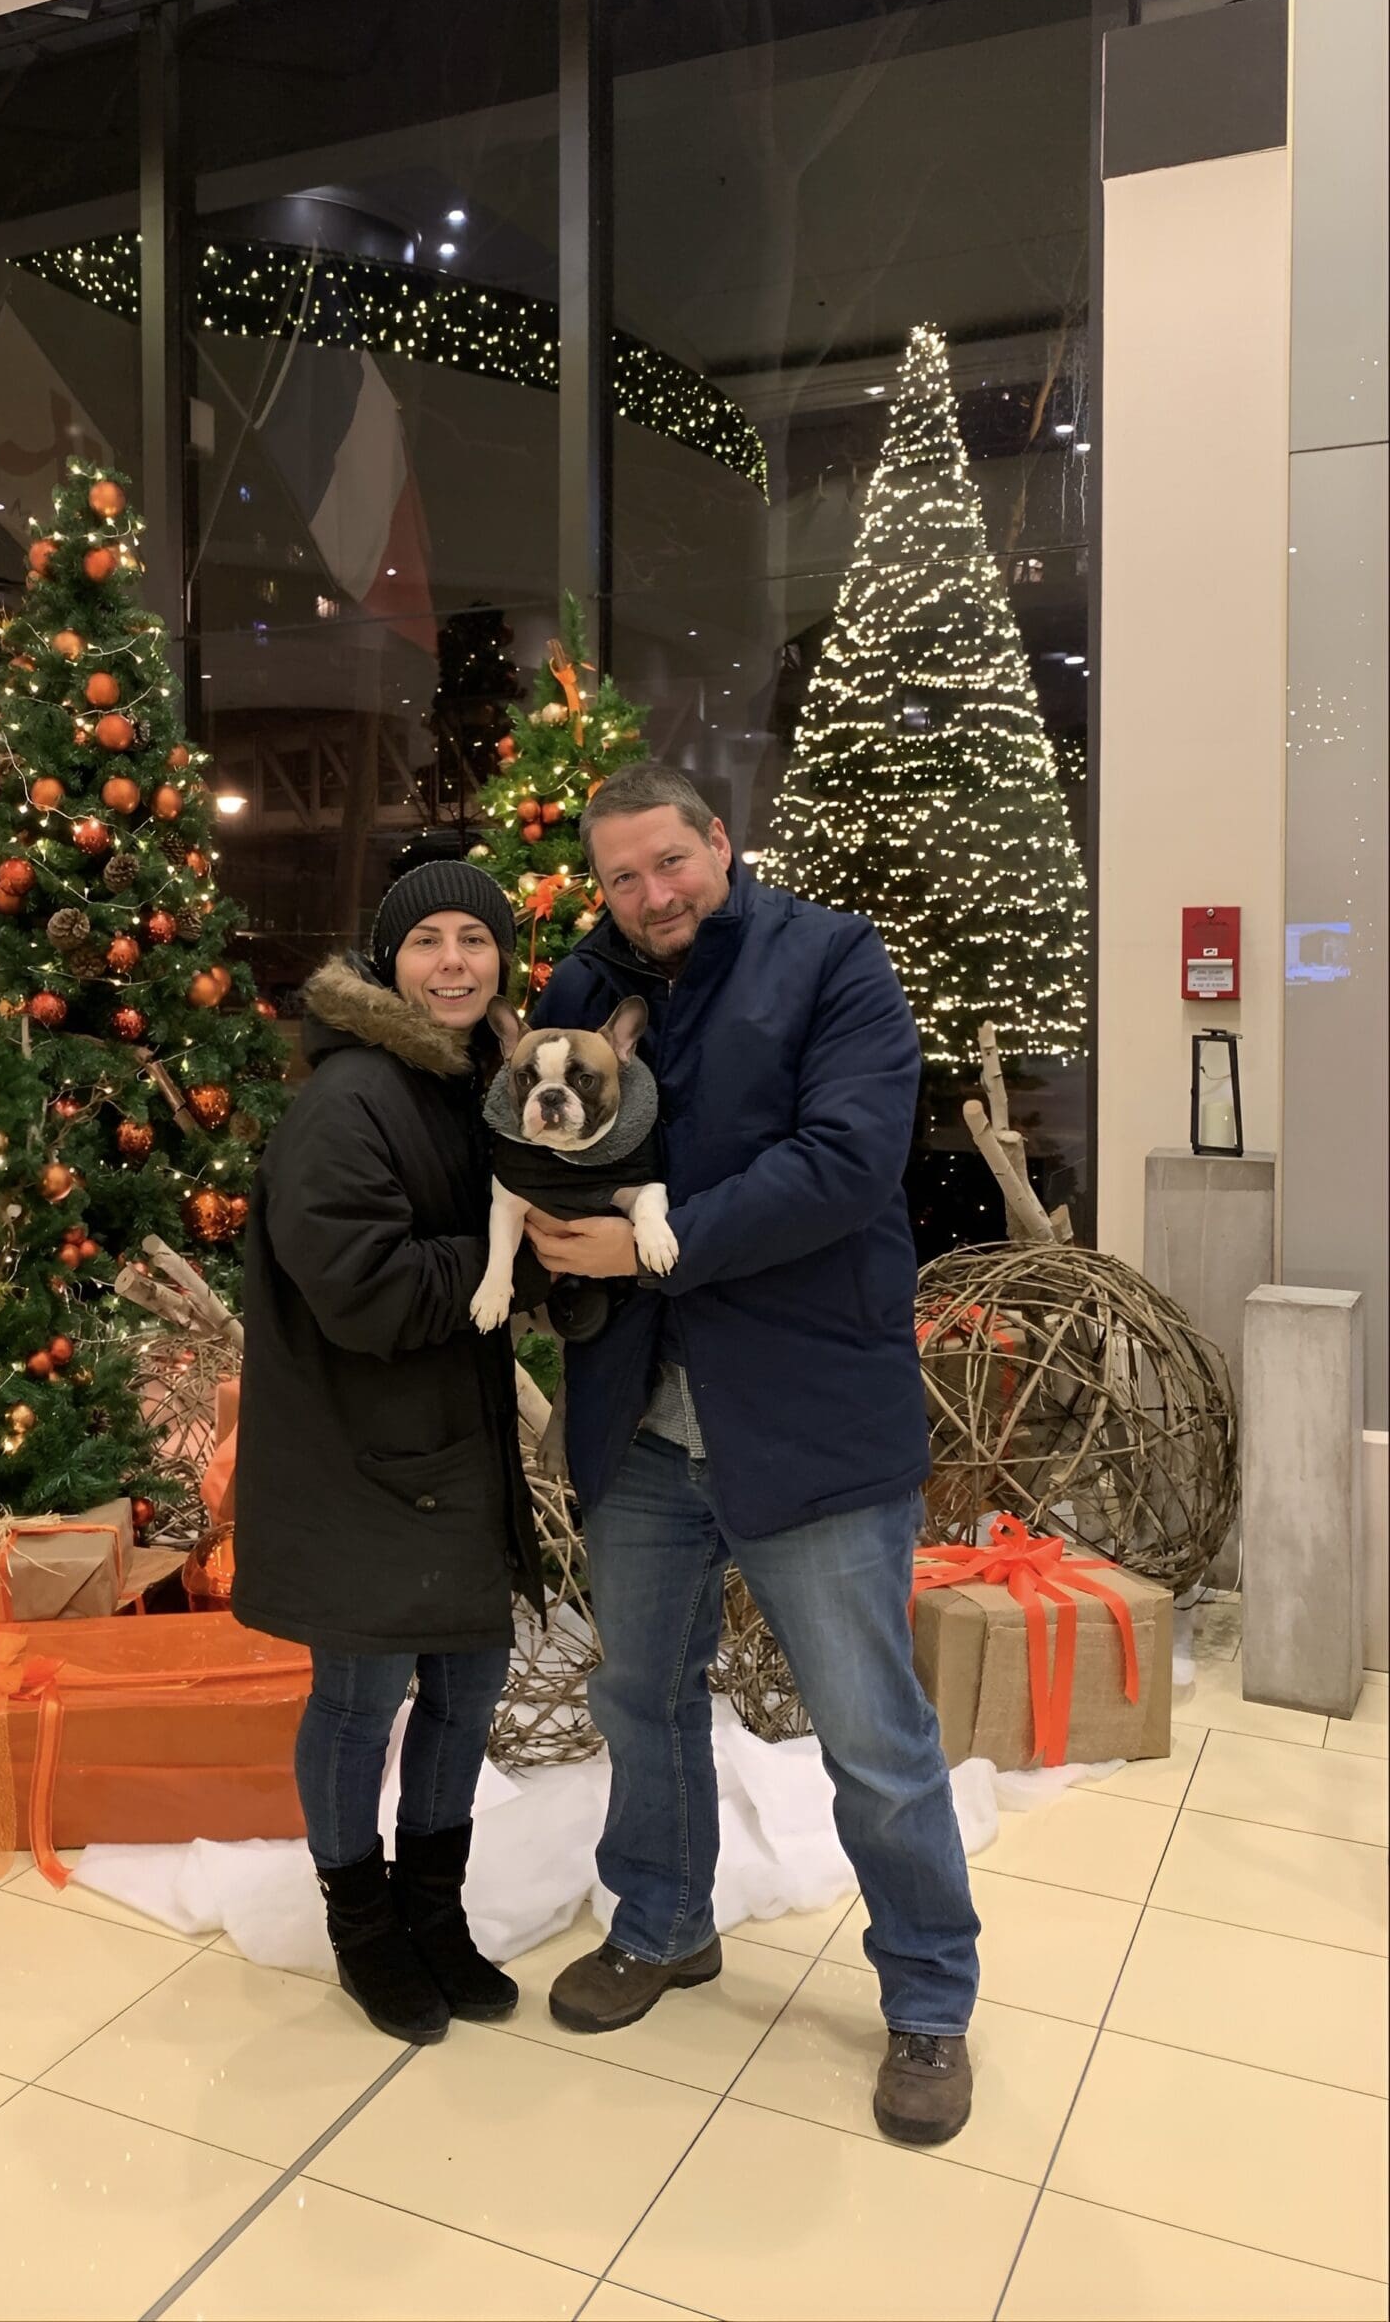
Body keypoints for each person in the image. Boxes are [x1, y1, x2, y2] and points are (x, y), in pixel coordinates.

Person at [523, 764, 980, 2147]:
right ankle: (662, 1924)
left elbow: (844, 1164)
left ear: (720, 843)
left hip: (807, 1416)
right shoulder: (577, 990)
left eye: (671, 862)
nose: (651, 896)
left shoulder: (831, 958)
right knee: (640, 1700)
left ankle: (927, 2000)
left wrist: (648, 1246)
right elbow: (540, 1146)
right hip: (640, 1423)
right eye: (622, 878)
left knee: (873, 1734)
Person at [233, 861, 541, 2046]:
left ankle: (436, 1914)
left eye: (477, 939)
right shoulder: (351, 1097)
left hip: (452, 1454)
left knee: (466, 1697)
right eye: (429, 943)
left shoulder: (472, 1087)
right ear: (388, 962)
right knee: (360, 1700)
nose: (456, 961)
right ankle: (362, 1927)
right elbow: (359, 1288)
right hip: (358, 1459)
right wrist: (516, 1261)